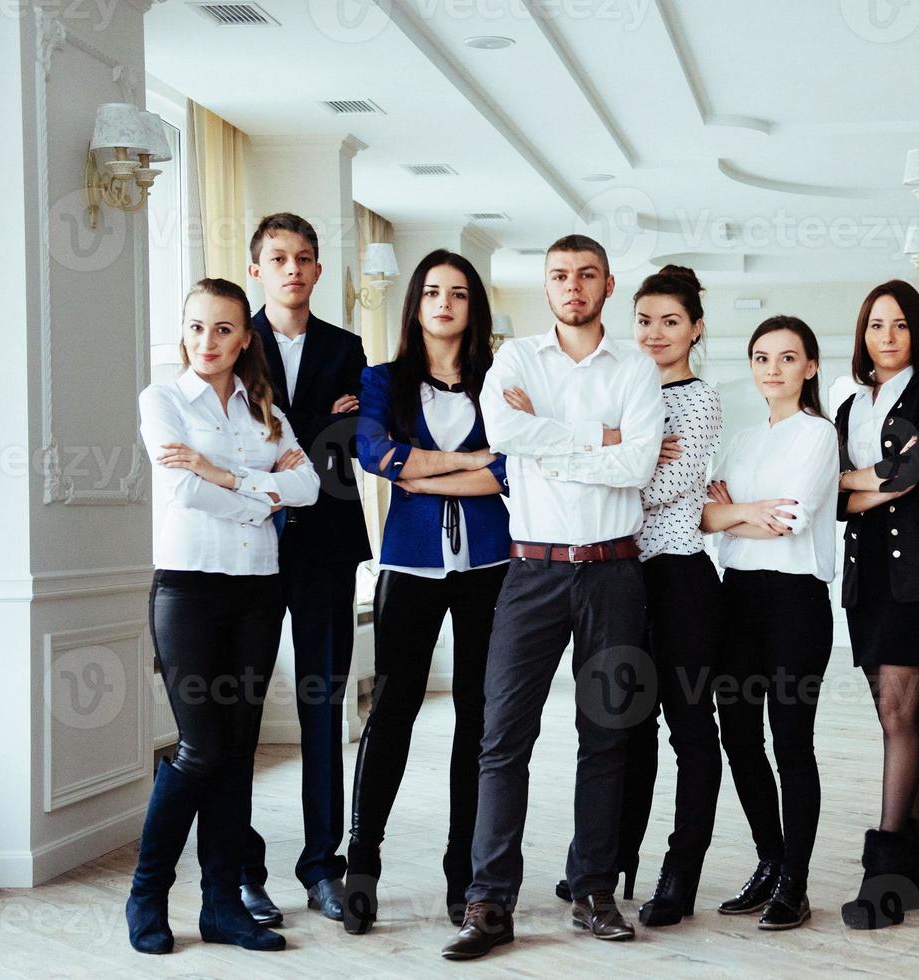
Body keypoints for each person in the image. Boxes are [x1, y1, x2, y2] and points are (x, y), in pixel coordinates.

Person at [441, 235, 665, 960]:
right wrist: (592, 439)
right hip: (530, 572)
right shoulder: (514, 361)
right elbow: (504, 433)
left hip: (613, 571)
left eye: (587, 275)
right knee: (503, 736)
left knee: (607, 733)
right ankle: (489, 900)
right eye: (560, 276)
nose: (573, 286)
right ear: (546, 288)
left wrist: (552, 439)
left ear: (607, 283)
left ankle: (593, 888)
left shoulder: (636, 365)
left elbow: (635, 465)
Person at [127, 278, 318, 954]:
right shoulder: (163, 400)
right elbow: (183, 491)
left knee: (237, 752)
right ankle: (147, 892)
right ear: (184, 333)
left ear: (245, 338)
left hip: (257, 591)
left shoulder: (262, 407)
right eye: (197, 327)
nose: (208, 341)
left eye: (223, 329)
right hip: (188, 591)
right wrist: (265, 496)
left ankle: (220, 905)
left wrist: (228, 476)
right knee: (200, 747)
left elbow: (310, 486)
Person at [547, 265, 725, 926]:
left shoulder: (699, 399)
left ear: (695, 329)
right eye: (644, 320)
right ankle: (608, 862)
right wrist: (616, 451)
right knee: (625, 727)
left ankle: (680, 873)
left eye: (670, 321)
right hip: (619, 572)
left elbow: (651, 489)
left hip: (678, 577)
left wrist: (616, 461)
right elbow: (596, 467)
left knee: (689, 727)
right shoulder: (622, 391)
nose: (654, 333)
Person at [343, 249, 512, 934]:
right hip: (409, 565)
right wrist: (468, 462)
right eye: (432, 291)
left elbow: (509, 471)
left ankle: (463, 872)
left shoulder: (500, 384)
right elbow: (375, 453)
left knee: (478, 719)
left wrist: (429, 472)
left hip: (490, 567)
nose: (444, 302)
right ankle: (362, 862)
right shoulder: (382, 378)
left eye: (459, 293)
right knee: (393, 711)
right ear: (414, 303)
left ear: (474, 308)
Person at [240, 212, 371, 924]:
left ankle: (323, 867)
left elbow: (349, 447)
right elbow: (241, 447)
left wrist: (311, 434)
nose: (293, 268)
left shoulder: (349, 347)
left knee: (325, 710)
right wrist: (320, 425)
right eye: (279, 257)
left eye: (306, 258)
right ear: (257, 268)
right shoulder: (234, 338)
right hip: (249, 549)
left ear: (319, 271)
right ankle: (243, 868)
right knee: (238, 712)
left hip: (326, 546)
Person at [834, 281, 919, 930]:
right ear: (862, 335)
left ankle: (886, 876)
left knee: (897, 713)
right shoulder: (847, 408)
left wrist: (865, 480)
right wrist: (875, 479)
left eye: (899, 325)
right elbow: (837, 496)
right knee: (898, 717)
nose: (886, 336)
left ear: (917, 333)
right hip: (867, 579)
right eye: (875, 325)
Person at [703, 315, 839, 931]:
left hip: (794, 603)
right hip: (736, 600)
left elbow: (788, 519)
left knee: (791, 742)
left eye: (787, 358)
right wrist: (733, 513)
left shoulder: (818, 435)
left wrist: (733, 511)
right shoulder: (739, 439)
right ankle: (769, 860)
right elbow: (701, 518)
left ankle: (797, 881)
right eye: (762, 357)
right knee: (737, 735)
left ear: (809, 366)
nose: (773, 369)